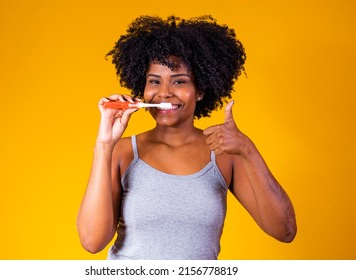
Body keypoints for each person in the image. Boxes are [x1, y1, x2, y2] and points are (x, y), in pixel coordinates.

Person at [76, 15, 297, 260]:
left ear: (200, 90)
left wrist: (247, 149)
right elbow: (91, 241)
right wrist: (104, 145)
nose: (164, 93)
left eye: (179, 81)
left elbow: (285, 231)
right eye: (154, 82)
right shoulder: (122, 152)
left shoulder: (224, 154)